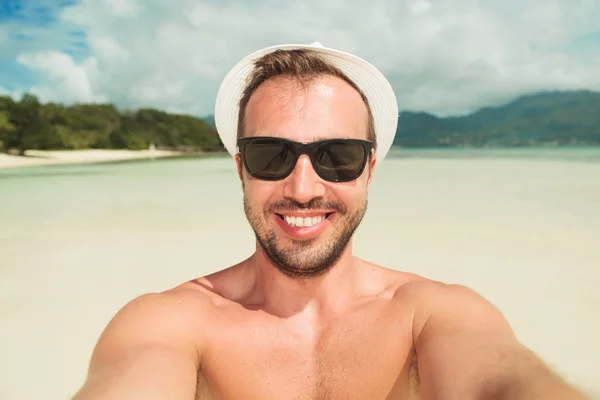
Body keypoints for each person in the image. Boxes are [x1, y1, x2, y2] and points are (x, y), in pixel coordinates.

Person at [72, 43, 586, 400]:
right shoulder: (173, 323)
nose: (302, 189)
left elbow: (499, 382)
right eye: (271, 155)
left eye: (336, 156)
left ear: (369, 170)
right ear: (239, 169)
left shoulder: (429, 317)